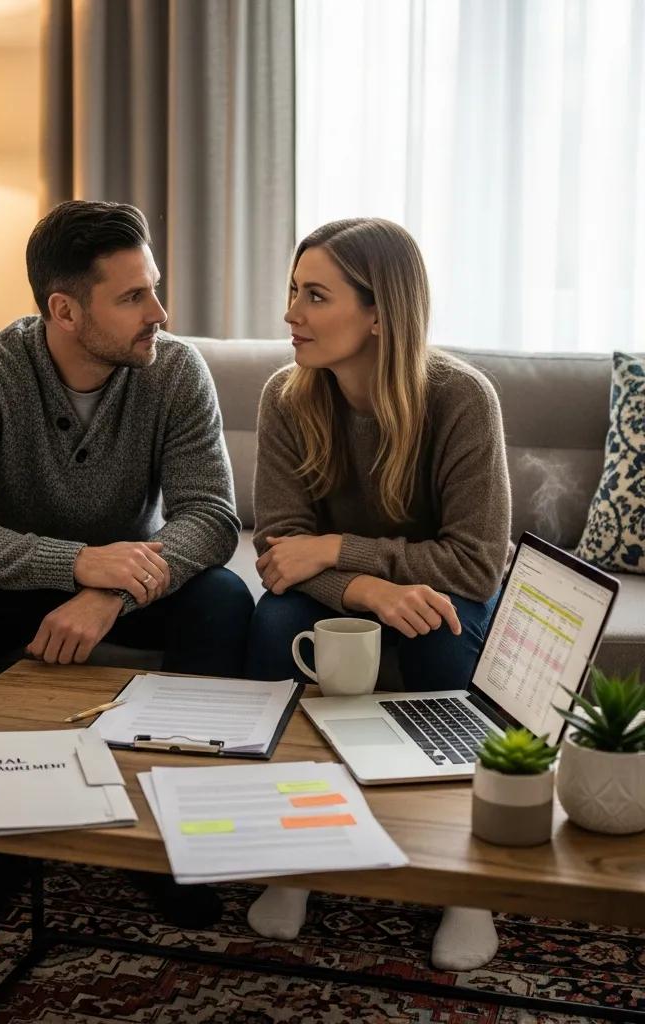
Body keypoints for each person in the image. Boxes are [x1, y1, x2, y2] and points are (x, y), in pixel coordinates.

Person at [0, 198, 254, 927]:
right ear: (64, 310)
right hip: (22, 575)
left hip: (131, 583)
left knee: (224, 601)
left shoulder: (176, 371)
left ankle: (165, 839)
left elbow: (211, 517)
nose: (160, 311)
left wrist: (111, 596)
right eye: (132, 297)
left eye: (152, 286)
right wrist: (77, 565)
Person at [244, 218, 511, 971]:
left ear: (379, 314)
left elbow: (475, 563)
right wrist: (364, 587)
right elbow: (277, 554)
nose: (291, 312)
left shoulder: (462, 399)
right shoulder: (286, 398)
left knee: (441, 628)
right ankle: (294, 854)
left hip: (442, 593)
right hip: (345, 597)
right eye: (293, 291)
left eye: (315, 295)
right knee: (274, 623)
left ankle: (467, 882)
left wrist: (339, 549)